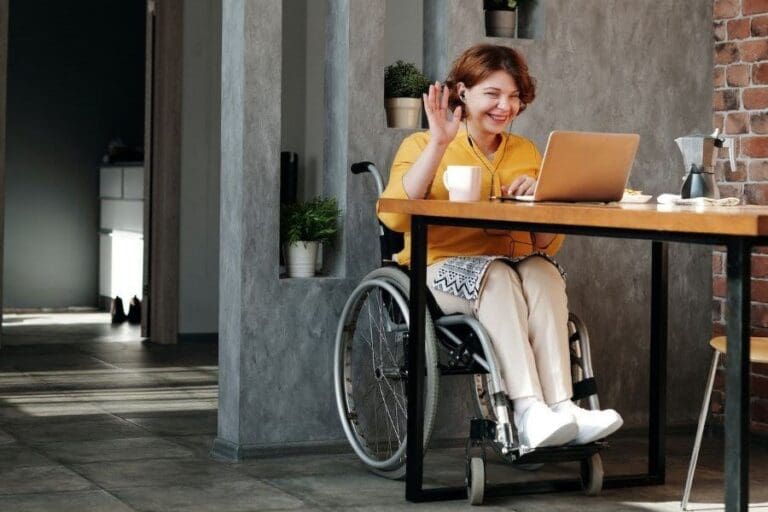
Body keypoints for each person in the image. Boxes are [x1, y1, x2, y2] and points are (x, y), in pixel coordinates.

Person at [377, 44, 623, 449]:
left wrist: (541, 200)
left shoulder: (526, 152)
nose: (504, 105)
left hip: (511, 268)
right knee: (498, 275)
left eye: (513, 96)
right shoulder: (422, 145)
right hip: (439, 270)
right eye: (492, 93)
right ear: (464, 92)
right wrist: (439, 144)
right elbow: (396, 218)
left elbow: (546, 244)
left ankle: (562, 407)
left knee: (542, 271)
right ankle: (527, 410)